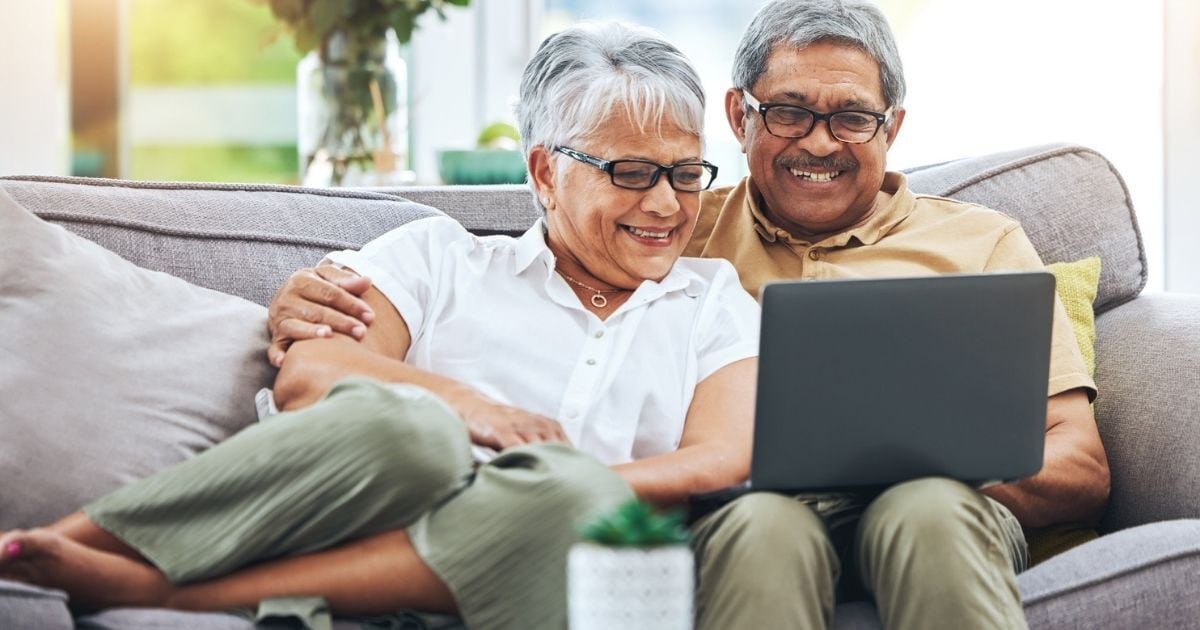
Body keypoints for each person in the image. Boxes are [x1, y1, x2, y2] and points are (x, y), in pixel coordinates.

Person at [268, 2, 1111, 629]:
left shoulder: (985, 240)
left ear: (892, 127)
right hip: (751, 510)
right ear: (740, 117)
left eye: (851, 116)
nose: (819, 141)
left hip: (941, 509)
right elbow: (560, 228)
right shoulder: (672, 222)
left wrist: (916, 463)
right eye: (789, 112)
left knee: (924, 509)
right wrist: (308, 296)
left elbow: (1079, 466)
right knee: (761, 524)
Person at [0, 21, 760, 630]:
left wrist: (523, 481)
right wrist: (472, 410)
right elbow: (312, 377)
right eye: (631, 173)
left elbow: (719, 460)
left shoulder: (712, 298)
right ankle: (59, 544)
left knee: (575, 501)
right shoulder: (438, 256)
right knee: (412, 431)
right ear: (543, 172)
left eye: (685, 173)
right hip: (377, 500)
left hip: (536, 549)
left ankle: (168, 593)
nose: (666, 205)